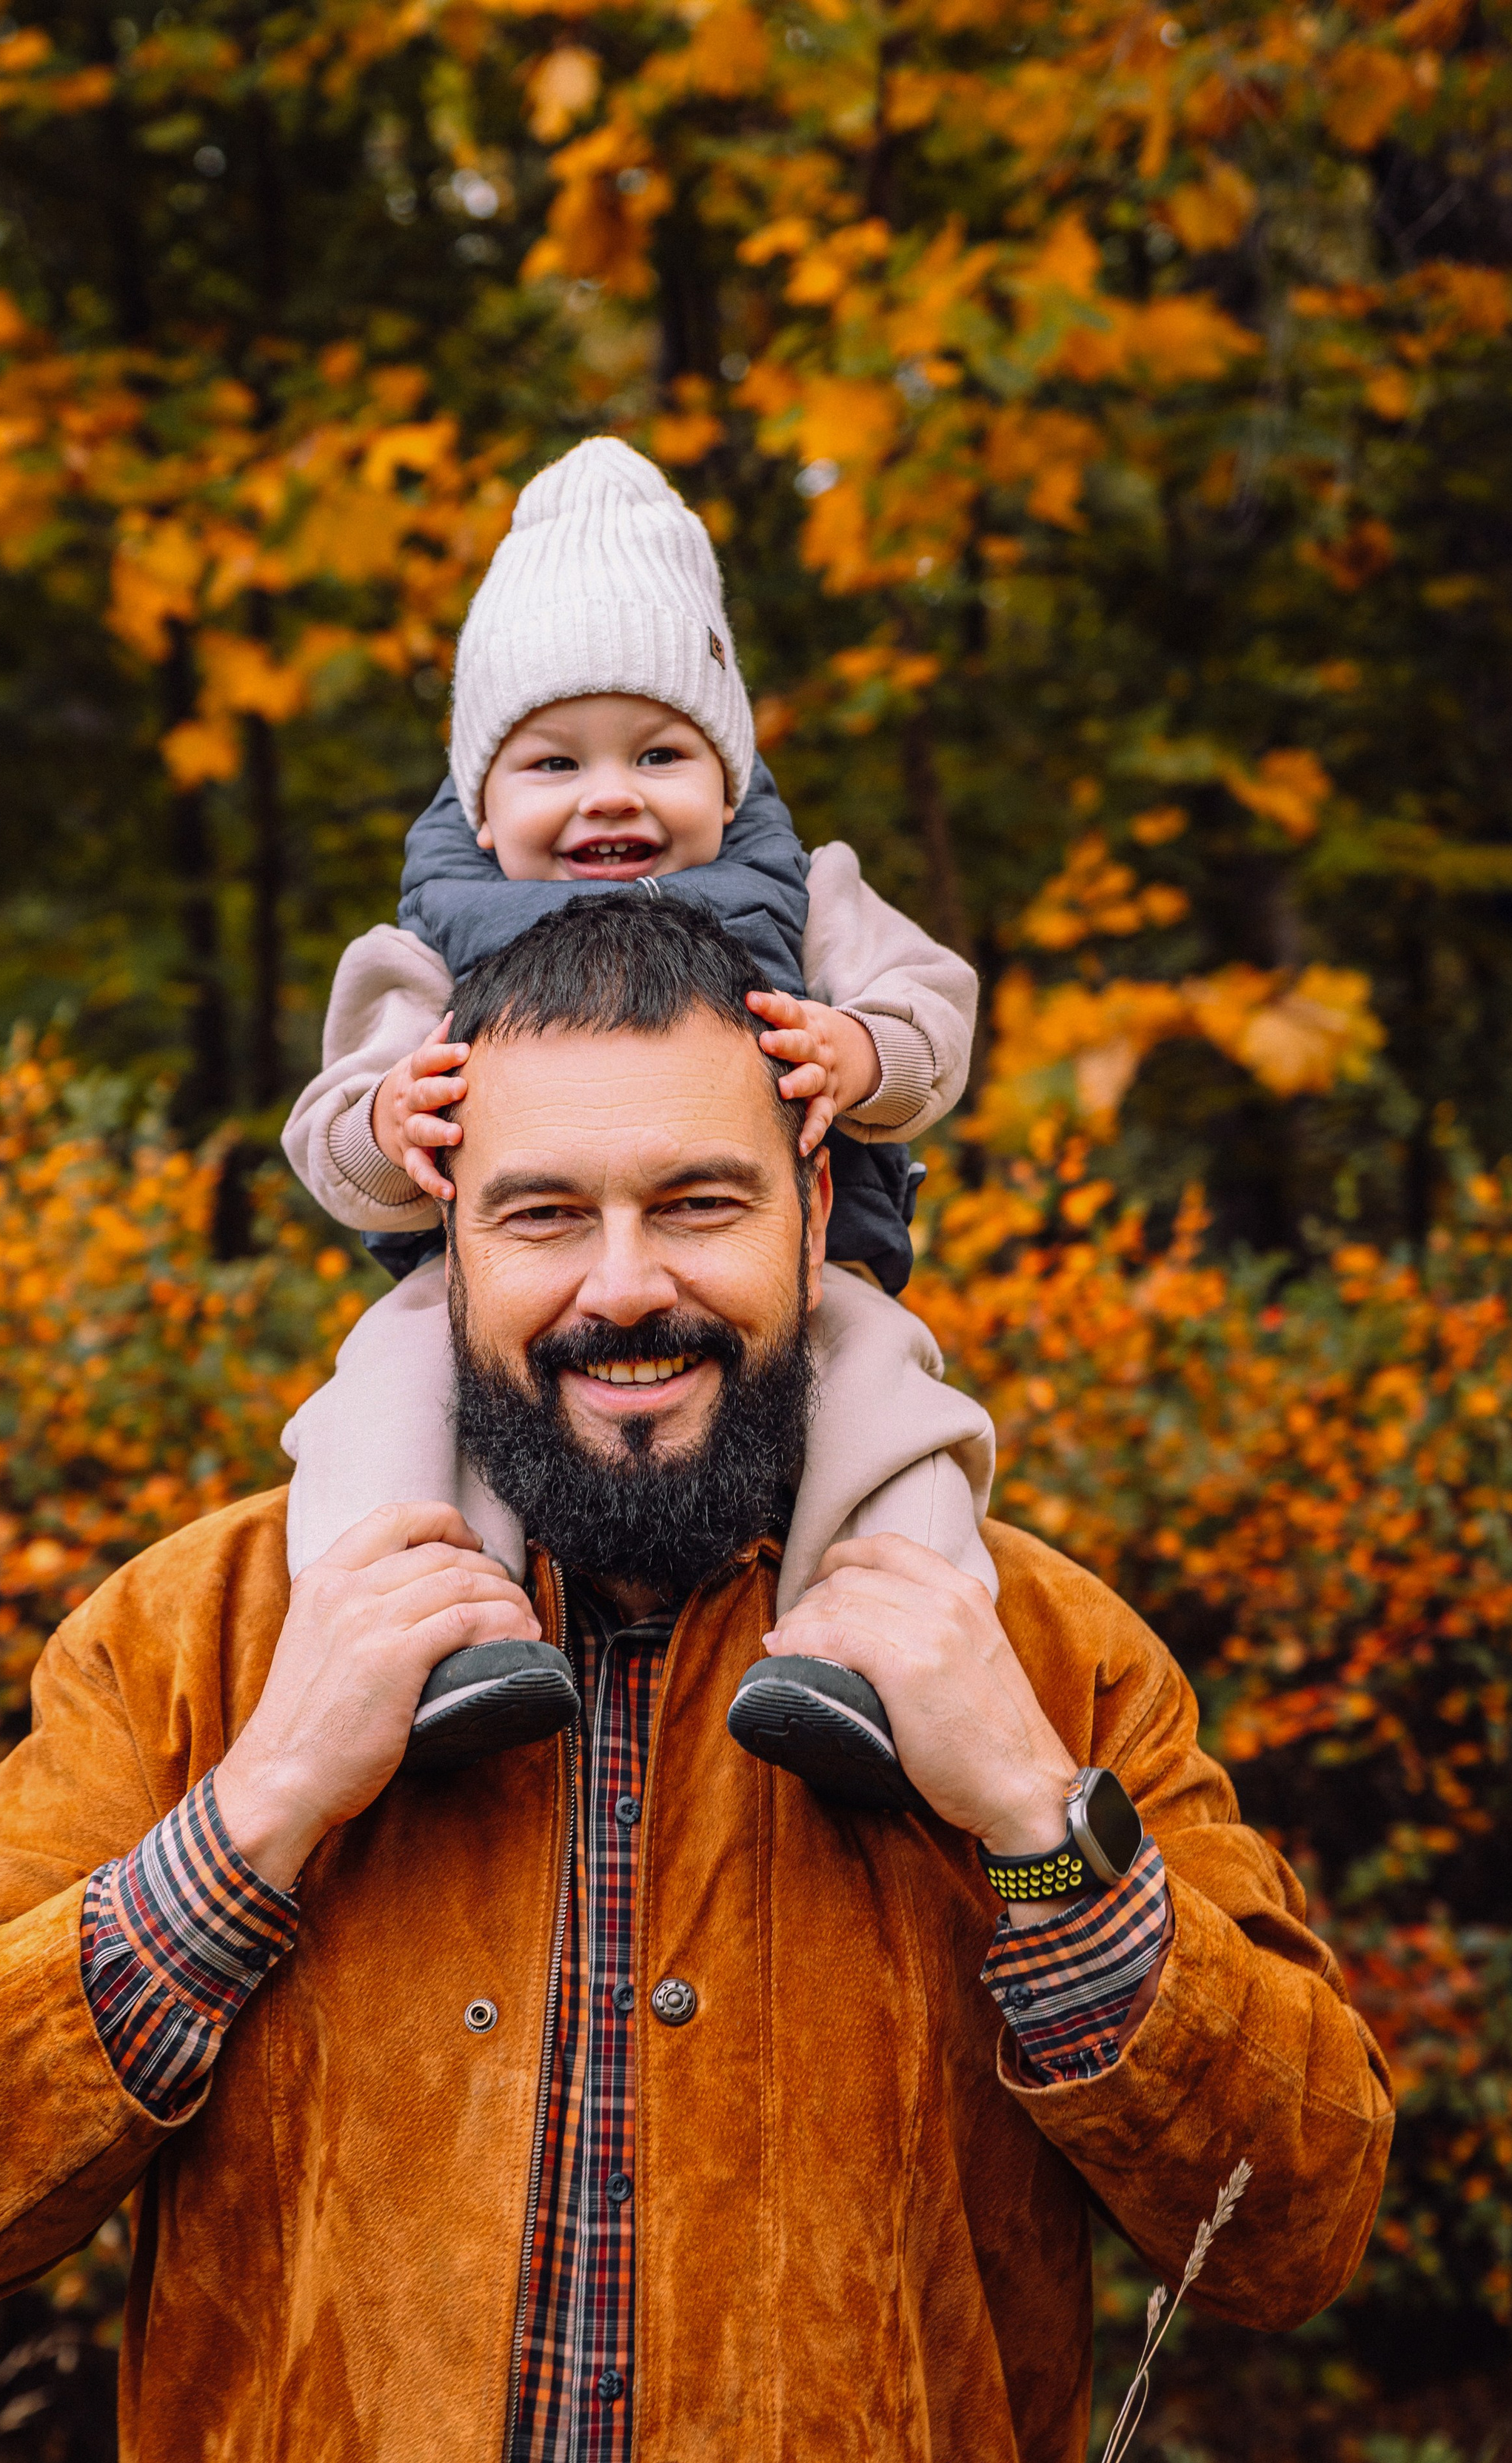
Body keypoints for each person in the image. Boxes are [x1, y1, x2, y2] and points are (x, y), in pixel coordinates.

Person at [0, 893, 1394, 2463]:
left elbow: (1296, 2233)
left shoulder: (1033, 1650)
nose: (624, 1281)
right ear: (450, 1240)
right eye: (544, 1215)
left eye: (698, 1202)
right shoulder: (204, 1630)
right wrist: (261, 1802)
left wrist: (1038, 1827)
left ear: (813, 1209)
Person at [282, 435, 991, 1787]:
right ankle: (412, 1644)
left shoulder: (810, 898)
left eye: (659, 752)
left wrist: (861, 1051)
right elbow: (330, 1131)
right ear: (480, 811)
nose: (612, 792)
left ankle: (881, 1652)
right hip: (468, 1295)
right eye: (553, 764)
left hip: (807, 1285)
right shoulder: (426, 947)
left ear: (727, 784)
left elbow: (935, 1019)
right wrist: (389, 1131)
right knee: (380, 1391)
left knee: (895, 1400)